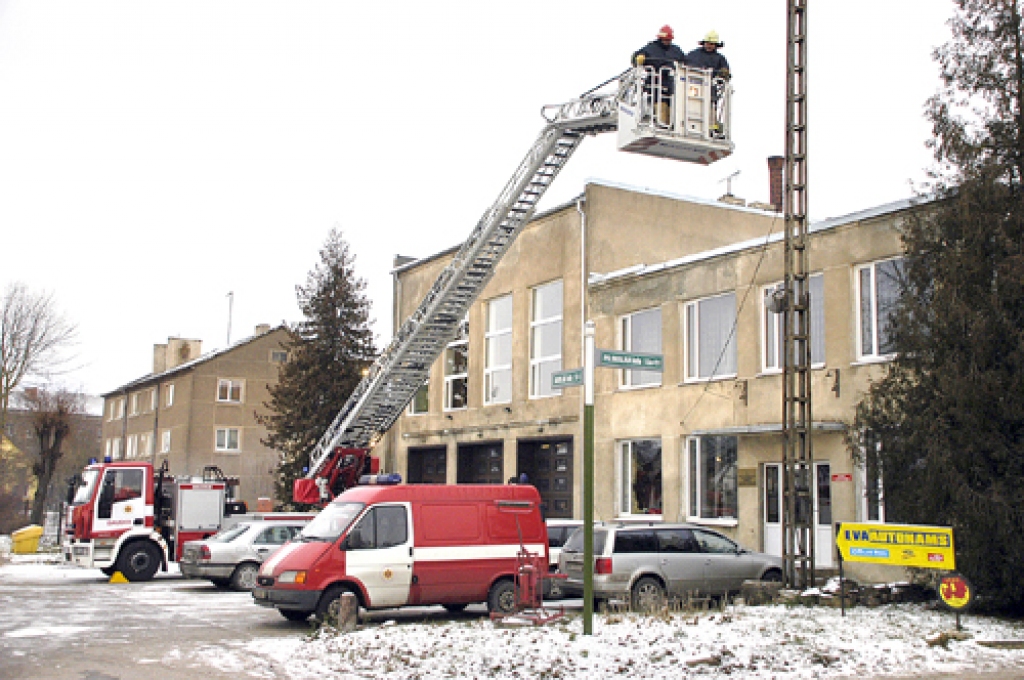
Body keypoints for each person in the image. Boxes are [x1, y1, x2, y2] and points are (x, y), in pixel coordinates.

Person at [631, 25, 686, 125]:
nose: (667, 42)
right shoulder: (650, 48)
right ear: (660, 38)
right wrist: (638, 58)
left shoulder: (676, 50)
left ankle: (673, 125)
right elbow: (636, 57)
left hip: (671, 85)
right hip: (656, 86)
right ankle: (661, 124)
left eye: (668, 40)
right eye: (665, 39)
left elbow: (685, 62)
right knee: (661, 110)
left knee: (675, 110)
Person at [686, 30, 731, 136]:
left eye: (712, 44)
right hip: (692, 86)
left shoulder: (720, 59)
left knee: (710, 107)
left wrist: (724, 73)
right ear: (704, 43)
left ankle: (712, 128)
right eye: (708, 43)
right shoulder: (693, 55)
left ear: (716, 45)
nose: (709, 46)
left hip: (710, 88)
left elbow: (726, 73)